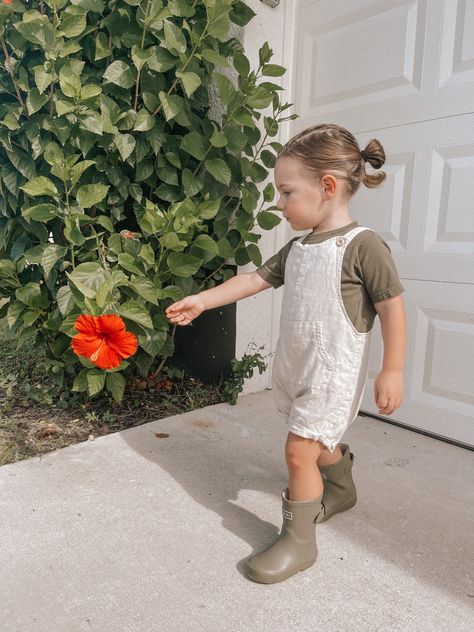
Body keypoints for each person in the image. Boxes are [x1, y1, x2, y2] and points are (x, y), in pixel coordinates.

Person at [165, 123, 408, 584]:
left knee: (299, 452)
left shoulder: (364, 246)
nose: (279, 203)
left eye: (286, 191)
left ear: (328, 187)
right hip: (300, 365)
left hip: (334, 371)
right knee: (318, 444)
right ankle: (339, 485)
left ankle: (298, 542)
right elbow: (253, 280)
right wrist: (202, 300)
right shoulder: (298, 248)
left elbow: (392, 308)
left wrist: (392, 368)